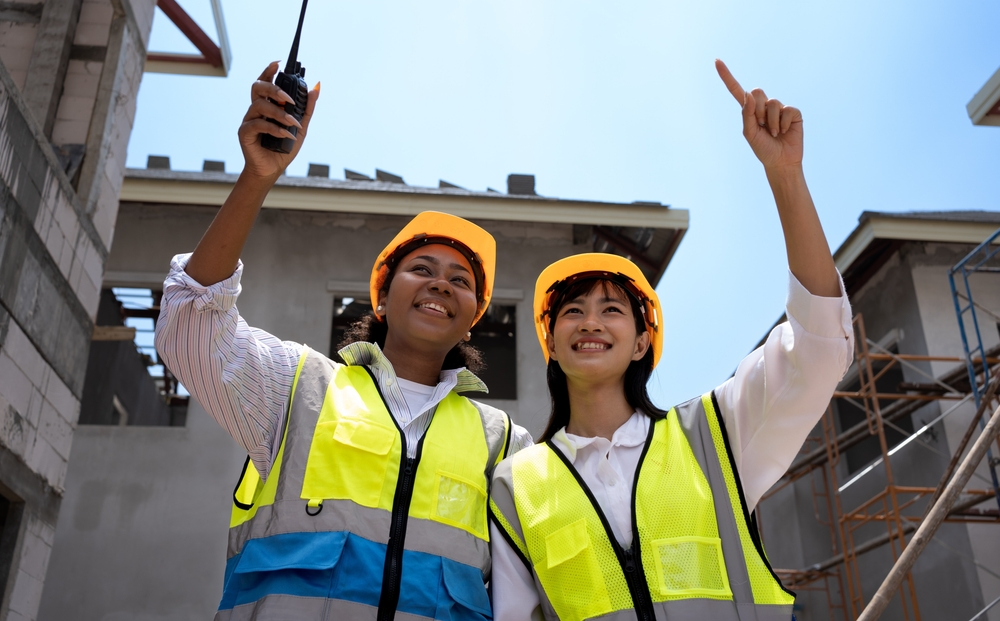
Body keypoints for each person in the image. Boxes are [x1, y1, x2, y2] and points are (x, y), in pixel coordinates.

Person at [155, 62, 531, 621]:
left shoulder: (505, 446)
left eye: (460, 281)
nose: (439, 285)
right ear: (380, 297)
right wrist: (257, 176)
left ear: (471, 318)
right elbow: (189, 327)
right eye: (421, 269)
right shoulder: (297, 388)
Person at [487, 60, 854, 621]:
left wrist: (785, 176)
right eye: (573, 312)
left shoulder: (717, 434)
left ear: (641, 343)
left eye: (612, 310)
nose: (590, 322)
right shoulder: (517, 483)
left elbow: (819, 347)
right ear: (551, 343)